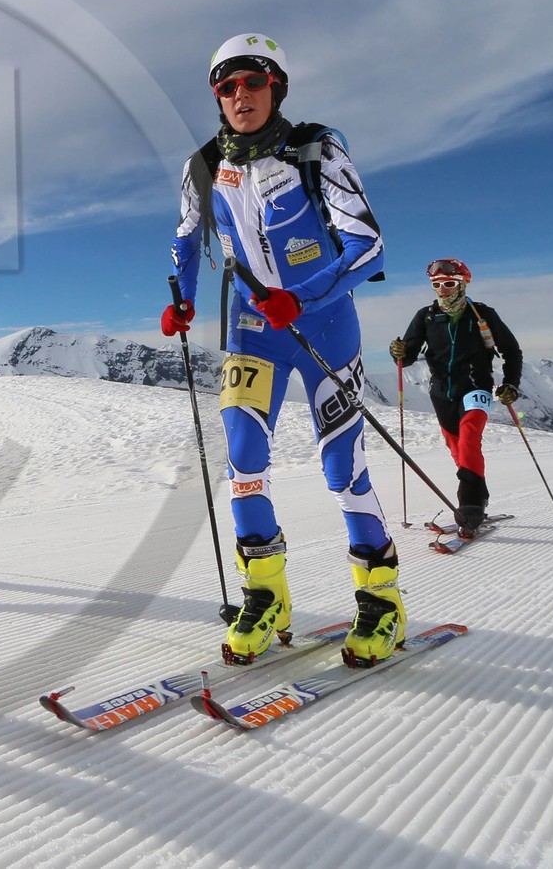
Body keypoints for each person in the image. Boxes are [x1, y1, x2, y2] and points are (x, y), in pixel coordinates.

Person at [165, 33, 401, 668]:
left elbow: (370, 247)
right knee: (242, 454)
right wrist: (182, 299)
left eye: (253, 81)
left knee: (342, 466)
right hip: (251, 324)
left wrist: (304, 296)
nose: (239, 94)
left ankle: (381, 600)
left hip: (322, 323)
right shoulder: (202, 166)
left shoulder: (317, 149)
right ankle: (266, 594)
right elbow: (187, 237)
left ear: (277, 87)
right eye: (227, 85)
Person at [390, 258, 523, 538]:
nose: (443, 289)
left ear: (462, 284)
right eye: (437, 284)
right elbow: (409, 356)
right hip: (441, 391)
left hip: (476, 385)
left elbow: (512, 351)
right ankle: (479, 496)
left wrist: (510, 383)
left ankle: (470, 506)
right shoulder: (426, 316)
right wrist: (399, 352)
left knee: (469, 436)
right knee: (458, 449)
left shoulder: (482, 314)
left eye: (449, 283)